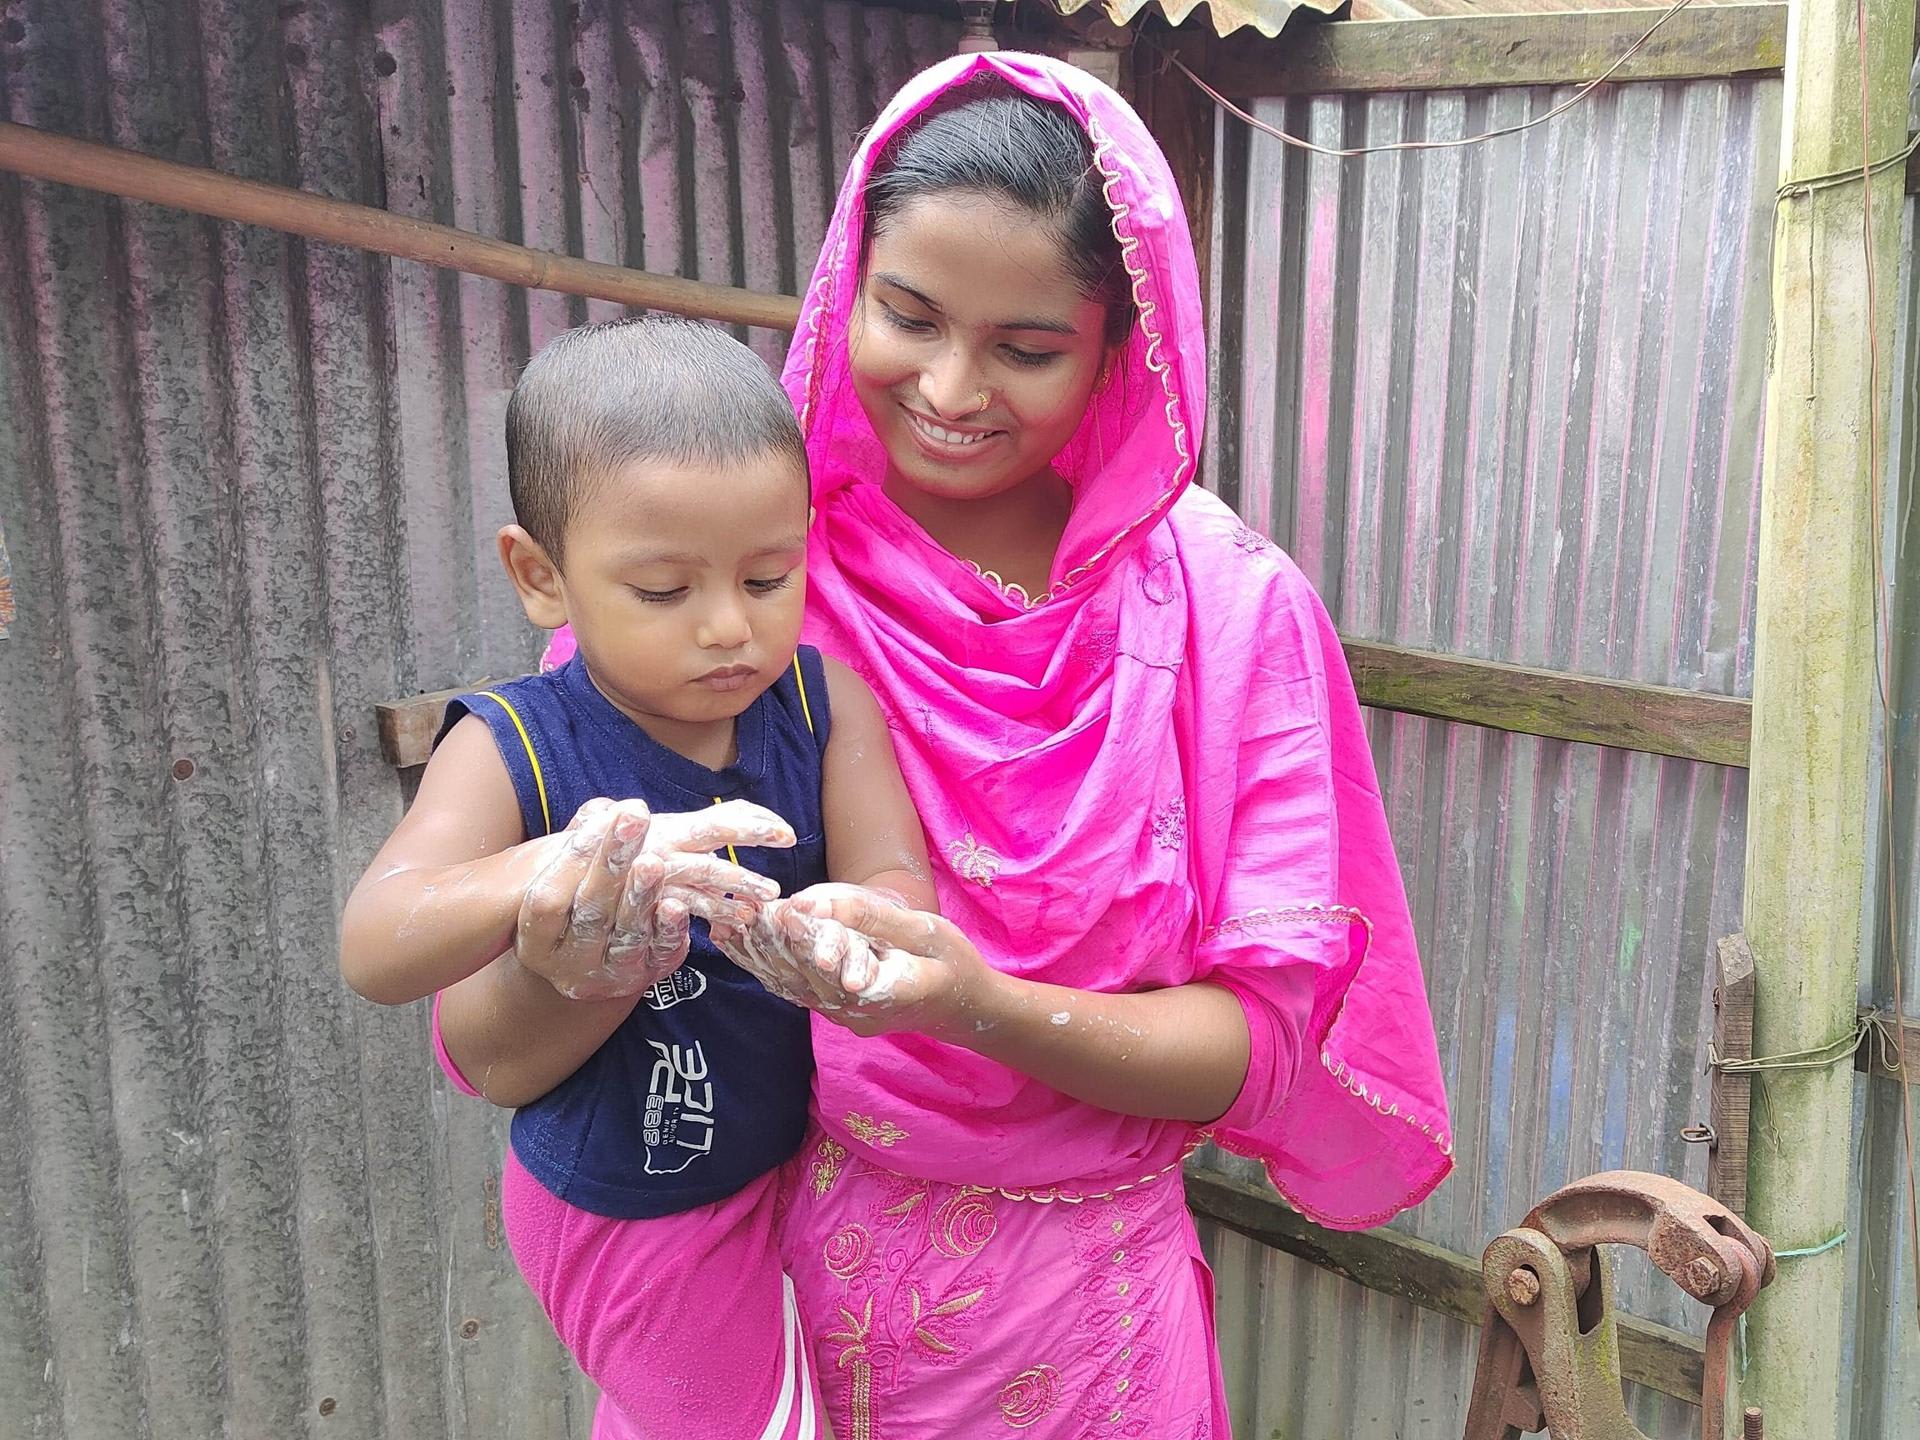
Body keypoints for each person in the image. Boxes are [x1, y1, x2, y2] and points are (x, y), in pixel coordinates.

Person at [441, 53, 1454, 1438]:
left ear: (1119, 349)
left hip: (1088, 1339)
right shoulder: (732, 578)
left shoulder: (1229, 616)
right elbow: (493, 1051)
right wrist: (571, 968)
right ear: (847, 283)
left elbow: (1255, 1051)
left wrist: (973, 1005)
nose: (951, 385)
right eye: (908, 314)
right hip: (765, 1313)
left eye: (1027, 347)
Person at [341, 316, 939, 1440]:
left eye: (769, 576)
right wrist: (552, 866)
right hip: (629, 1205)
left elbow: (894, 871)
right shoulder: (516, 742)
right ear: (541, 577)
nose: (729, 628)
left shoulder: (817, 704)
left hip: (774, 1168)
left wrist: (861, 928)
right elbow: (377, 940)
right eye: (664, 591)